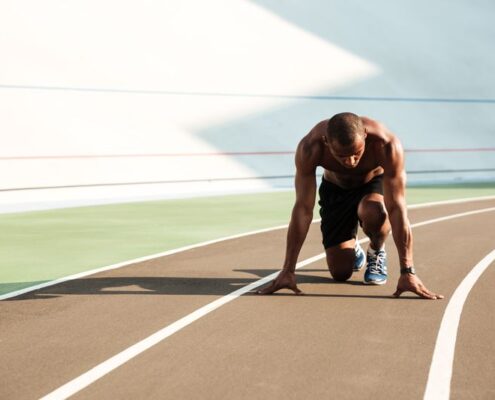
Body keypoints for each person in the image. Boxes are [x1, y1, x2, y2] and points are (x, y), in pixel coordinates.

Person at [257, 112, 443, 299]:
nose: (351, 161)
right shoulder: (310, 147)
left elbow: (396, 208)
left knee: (374, 211)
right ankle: (352, 247)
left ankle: (376, 249)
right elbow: (303, 209)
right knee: (340, 273)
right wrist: (288, 270)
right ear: (326, 142)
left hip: (372, 185)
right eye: (341, 156)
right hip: (335, 190)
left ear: (365, 136)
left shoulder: (386, 145)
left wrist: (407, 271)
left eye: (357, 153)